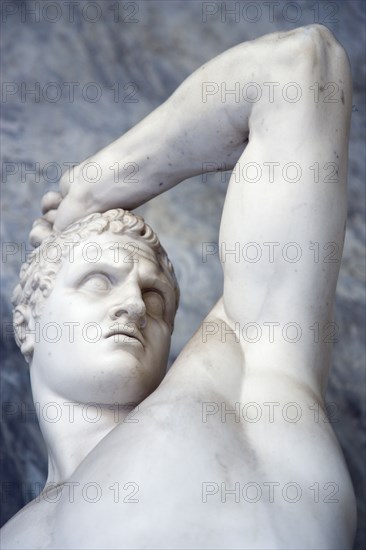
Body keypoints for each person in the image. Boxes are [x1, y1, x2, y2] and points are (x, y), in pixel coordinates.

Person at [2, 24, 356, 549]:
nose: (133, 305)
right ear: (28, 322)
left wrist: (99, 185)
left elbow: (299, 68)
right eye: (98, 281)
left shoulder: (236, 391)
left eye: (156, 297)